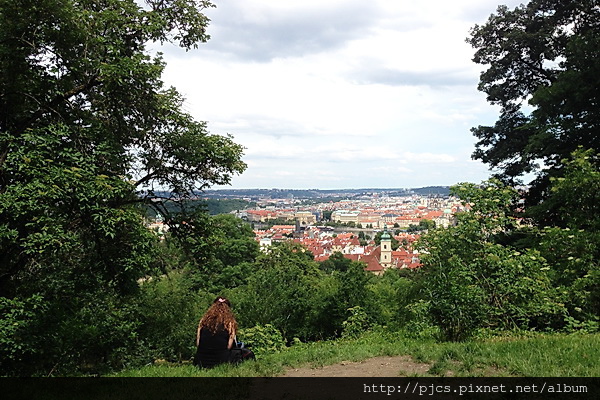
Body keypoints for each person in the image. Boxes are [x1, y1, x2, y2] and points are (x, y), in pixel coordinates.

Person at [193, 296, 254, 368]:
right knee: (247, 353)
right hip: (221, 360)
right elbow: (229, 346)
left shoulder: (203, 321)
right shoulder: (229, 323)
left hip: (202, 360)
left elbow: (198, 343)